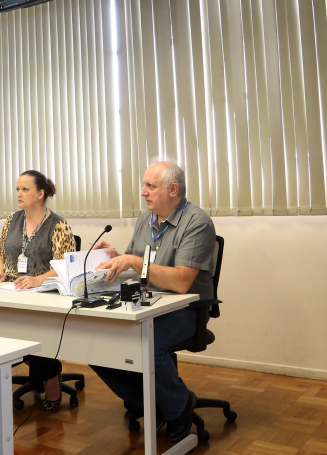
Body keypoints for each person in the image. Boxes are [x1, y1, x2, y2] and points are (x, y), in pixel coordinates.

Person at [91, 160, 215, 442]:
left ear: (173, 190)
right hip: (149, 302)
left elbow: (183, 281)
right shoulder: (145, 220)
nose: (143, 192)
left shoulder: (197, 222)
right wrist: (116, 257)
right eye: (143, 185)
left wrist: (134, 261)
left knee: (149, 342)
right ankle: (146, 399)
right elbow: (136, 264)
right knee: (96, 337)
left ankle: (179, 404)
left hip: (187, 309)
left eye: (151, 186)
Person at [0, 170, 76, 410]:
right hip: (12, 290)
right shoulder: (11, 220)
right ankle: (40, 373)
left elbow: (67, 266)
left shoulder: (58, 225)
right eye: (17, 189)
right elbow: (2, 254)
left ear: (41, 193)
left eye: (25, 189)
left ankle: (50, 374)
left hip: (44, 293)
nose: (19, 194)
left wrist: (38, 280)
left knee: (36, 330)